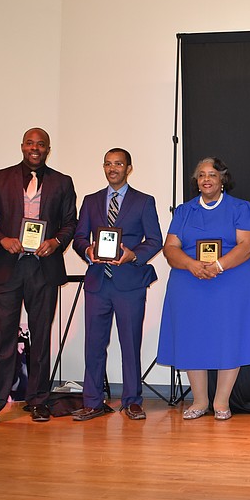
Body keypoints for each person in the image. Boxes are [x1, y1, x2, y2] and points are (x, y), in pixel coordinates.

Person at [0, 127, 77, 428]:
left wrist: (55, 243)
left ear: (48, 149)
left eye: (40, 144)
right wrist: (2, 239)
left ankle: (38, 400)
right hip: (8, 267)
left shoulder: (62, 182)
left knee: (41, 335)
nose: (35, 148)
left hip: (42, 269)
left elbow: (70, 223)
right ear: (22, 146)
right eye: (30, 143)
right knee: (2, 337)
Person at [157, 158, 250, 420]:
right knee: (192, 338)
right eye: (201, 175)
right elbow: (170, 249)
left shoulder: (239, 207)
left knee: (230, 337)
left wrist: (218, 265)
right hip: (189, 282)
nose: (206, 179)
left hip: (232, 282)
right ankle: (199, 400)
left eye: (212, 175)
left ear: (222, 179)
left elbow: (249, 245)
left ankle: (221, 402)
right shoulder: (184, 211)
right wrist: (192, 265)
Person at [71, 148, 162, 421]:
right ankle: (93, 402)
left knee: (130, 344)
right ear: (104, 167)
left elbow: (154, 240)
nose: (113, 169)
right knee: (93, 344)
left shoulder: (144, 201)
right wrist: (87, 251)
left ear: (128, 168)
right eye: (108, 164)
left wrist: (133, 255)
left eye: (118, 164)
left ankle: (132, 401)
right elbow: (79, 238)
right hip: (98, 282)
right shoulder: (90, 201)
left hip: (130, 283)